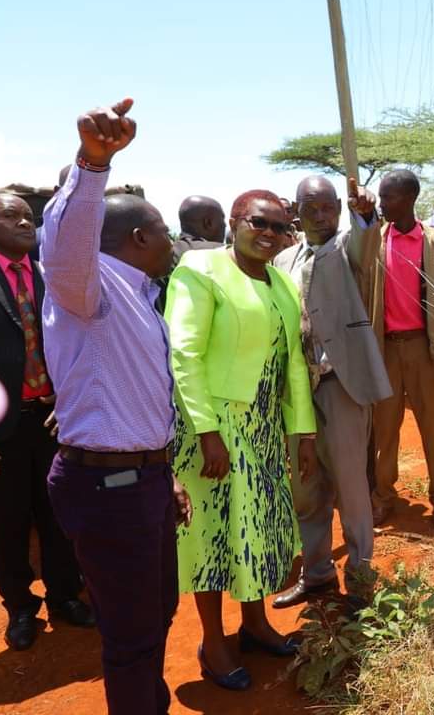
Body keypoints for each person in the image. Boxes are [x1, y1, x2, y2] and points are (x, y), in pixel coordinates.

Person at [41, 98, 191, 715]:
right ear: (137, 238)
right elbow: (66, 242)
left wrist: (165, 473)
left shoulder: (141, 293)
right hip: (107, 488)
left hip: (142, 479)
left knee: (157, 613)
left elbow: (138, 399)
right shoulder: (88, 286)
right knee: (131, 637)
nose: (171, 241)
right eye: (162, 232)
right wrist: (92, 165)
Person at [165, 189, 317, 691]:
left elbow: (293, 360)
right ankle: (213, 641)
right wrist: (206, 431)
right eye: (259, 223)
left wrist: (304, 433)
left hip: (266, 429)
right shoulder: (201, 271)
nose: (270, 234)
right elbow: (184, 354)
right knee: (212, 534)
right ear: (234, 221)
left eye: (279, 227)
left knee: (258, 531)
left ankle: (253, 624)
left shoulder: (280, 282)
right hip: (214, 427)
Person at [271, 175, 392, 612]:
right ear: (295, 212)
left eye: (330, 207)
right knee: (306, 489)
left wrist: (365, 215)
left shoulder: (347, 249)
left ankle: (360, 580)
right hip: (297, 391)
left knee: (351, 488)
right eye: (312, 208)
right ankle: (317, 574)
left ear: (340, 208)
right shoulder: (282, 259)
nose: (322, 216)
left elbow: (366, 242)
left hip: (341, 384)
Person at [0, 193, 92, 652]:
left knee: (59, 513)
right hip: (1, 425)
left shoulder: (51, 274)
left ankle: (65, 595)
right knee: (9, 520)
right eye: (10, 216)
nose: (24, 222)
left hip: (55, 418)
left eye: (28, 216)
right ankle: (20, 608)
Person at [352, 169, 434, 528]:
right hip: (386, 351)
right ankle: (383, 495)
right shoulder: (376, 241)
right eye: (381, 197)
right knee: (385, 429)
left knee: (432, 426)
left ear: (410, 199)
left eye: (389, 197)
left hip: (422, 349)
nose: (383, 203)